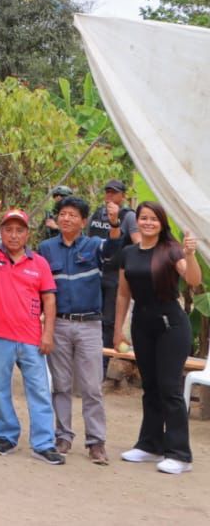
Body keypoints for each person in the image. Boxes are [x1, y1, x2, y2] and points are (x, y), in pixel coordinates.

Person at [115, 202, 201, 474]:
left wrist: (191, 254)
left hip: (171, 326)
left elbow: (193, 280)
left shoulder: (172, 249)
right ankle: (150, 444)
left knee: (169, 388)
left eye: (154, 219)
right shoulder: (128, 253)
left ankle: (180, 454)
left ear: (162, 223)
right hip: (142, 324)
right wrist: (118, 329)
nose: (148, 222)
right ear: (136, 221)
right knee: (150, 386)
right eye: (143, 218)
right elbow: (122, 294)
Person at [0, 203, 63, 465]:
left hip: (31, 338)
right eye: (8, 230)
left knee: (38, 390)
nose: (14, 235)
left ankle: (44, 443)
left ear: (27, 235)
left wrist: (48, 333)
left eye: (19, 230)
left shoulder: (39, 263)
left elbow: (49, 300)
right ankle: (6, 436)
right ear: (0, 233)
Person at [39, 194, 117, 464]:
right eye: (63, 213)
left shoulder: (95, 245)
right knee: (60, 384)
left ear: (84, 221)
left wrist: (116, 224)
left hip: (89, 325)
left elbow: (115, 252)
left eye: (73, 215)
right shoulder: (46, 248)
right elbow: (40, 288)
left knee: (92, 386)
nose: (66, 218)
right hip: (58, 323)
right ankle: (63, 436)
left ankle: (96, 442)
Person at [93, 179, 138, 353]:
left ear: (123, 196)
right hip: (96, 272)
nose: (110, 195)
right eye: (108, 192)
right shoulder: (97, 214)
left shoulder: (129, 216)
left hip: (116, 275)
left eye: (114, 192)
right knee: (94, 319)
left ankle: (104, 365)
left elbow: (138, 243)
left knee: (109, 321)